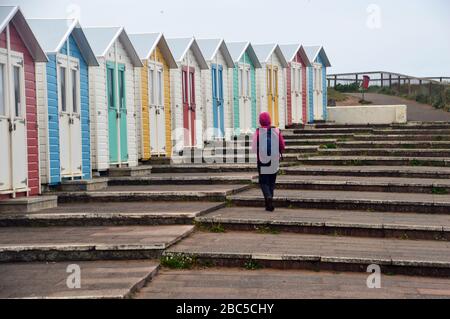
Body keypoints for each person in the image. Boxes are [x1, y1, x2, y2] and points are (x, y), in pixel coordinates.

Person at [251, 112, 286, 212]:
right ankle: (269, 204)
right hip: (274, 159)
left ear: (260, 121)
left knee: (263, 182)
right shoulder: (276, 130)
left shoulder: (258, 132)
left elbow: (253, 148)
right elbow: (282, 145)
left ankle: (268, 198)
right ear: (269, 120)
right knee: (271, 182)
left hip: (262, 160)